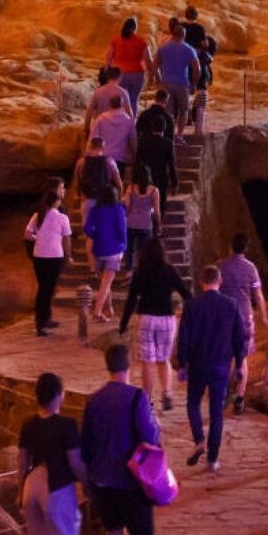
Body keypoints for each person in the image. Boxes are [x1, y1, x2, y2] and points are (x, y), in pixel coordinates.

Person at [80, 345, 160, 535]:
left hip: (102, 481)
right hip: (130, 481)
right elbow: (149, 436)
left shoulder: (94, 400)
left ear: (107, 366)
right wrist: (155, 424)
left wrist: (88, 481)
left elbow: (86, 445)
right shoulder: (137, 397)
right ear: (129, 364)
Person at [174, 264, 249, 472]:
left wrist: (182, 363)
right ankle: (212, 460)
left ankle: (199, 439)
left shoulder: (192, 305)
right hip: (221, 367)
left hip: (198, 364)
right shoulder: (232, 305)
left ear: (201, 282)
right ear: (220, 281)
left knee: (193, 404)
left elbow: (184, 337)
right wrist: (239, 364)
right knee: (217, 413)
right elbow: (239, 338)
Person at [119, 238, 190, 412]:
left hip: (146, 318)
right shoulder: (169, 270)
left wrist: (123, 323)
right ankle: (167, 394)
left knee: (148, 362)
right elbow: (185, 293)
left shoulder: (140, 272)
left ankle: (147, 400)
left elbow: (131, 300)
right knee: (163, 359)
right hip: (166, 318)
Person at [18, 372, 87, 535]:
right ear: (60, 395)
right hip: (56, 488)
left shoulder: (27, 424)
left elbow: (23, 462)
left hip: (30, 486)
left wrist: (20, 493)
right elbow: (74, 462)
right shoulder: (67, 425)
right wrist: (87, 483)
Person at [216, 234, 266, 416]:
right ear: (246, 249)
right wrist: (264, 315)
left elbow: (215, 292)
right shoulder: (251, 268)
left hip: (225, 317)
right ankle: (239, 396)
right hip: (245, 317)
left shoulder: (220, 266)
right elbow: (258, 295)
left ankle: (223, 393)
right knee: (242, 358)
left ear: (230, 246)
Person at [25, 192, 71, 337]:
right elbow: (67, 240)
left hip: (39, 256)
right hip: (55, 256)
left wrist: (38, 238)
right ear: (56, 202)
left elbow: (27, 235)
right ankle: (43, 321)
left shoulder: (38, 216)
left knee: (43, 289)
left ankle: (42, 321)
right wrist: (68, 256)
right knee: (49, 289)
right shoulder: (62, 218)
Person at [86, 186, 129, 322]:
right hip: (114, 249)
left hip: (99, 249)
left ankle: (109, 309)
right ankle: (97, 312)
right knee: (106, 284)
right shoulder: (118, 210)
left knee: (105, 280)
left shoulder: (95, 211)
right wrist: (124, 245)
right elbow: (122, 230)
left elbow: (87, 229)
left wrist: (96, 235)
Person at [152, 20, 201, 130]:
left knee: (168, 111)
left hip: (166, 81)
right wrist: (194, 84)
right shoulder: (189, 49)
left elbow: (155, 65)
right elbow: (197, 69)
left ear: (173, 34)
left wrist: (159, 79)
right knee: (183, 111)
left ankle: (169, 134)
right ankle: (179, 135)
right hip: (182, 83)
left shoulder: (163, 48)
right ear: (184, 35)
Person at [135, 92, 178, 212]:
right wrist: (174, 182)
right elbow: (171, 162)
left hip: (145, 173)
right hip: (161, 174)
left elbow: (136, 132)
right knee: (160, 203)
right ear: (166, 100)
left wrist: (134, 178)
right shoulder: (168, 118)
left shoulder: (144, 115)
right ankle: (158, 226)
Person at [106, 18, 150, 111]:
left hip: (119, 74)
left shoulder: (115, 40)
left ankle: (120, 121)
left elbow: (109, 57)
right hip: (137, 74)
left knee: (120, 100)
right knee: (133, 101)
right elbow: (148, 59)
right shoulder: (141, 41)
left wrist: (107, 71)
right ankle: (131, 123)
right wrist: (151, 72)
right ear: (135, 28)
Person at [122, 168, 160, 276]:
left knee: (130, 249)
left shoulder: (130, 188)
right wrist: (159, 224)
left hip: (131, 222)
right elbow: (157, 212)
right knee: (145, 251)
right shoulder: (154, 191)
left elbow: (127, 207)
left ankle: (129, 272)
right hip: (146, 224)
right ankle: (144, 272)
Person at [92, 94, 138, 172]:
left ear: (110, 104)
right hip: (120, 158)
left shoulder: (101, 119)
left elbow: (93, 138)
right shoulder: (128, 120)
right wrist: (133, 157)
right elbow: (133, 140)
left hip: (103, 157)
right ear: (122, 105)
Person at [85, 67, 132, 135]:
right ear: (120, 77)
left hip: (100, 129)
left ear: (108, 76)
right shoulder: (123, 93)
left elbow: (89, 112)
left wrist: (87, 128)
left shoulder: (98, 92)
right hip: (116, 129)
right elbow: (129, 114)